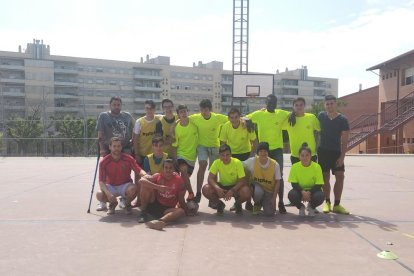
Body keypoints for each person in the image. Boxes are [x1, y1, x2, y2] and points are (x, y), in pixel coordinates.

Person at [246, 94, 289, 214]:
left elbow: (293, 113)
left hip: (277, 150)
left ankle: (280, 202)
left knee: (279, 176)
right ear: (265, 102)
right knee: (259, 175)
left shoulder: (281, 113)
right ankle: (256, 201)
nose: (271, 104)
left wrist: (293, 116)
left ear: (276, 104)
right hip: (263, 150)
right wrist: (248, 121)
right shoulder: (259, 114)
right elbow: (244, 117)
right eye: (269, 102)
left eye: (273, 102)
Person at [96, 96, 134, 211]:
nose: (116, 107)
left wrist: (133, 143)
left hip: (125, 148)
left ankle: (123, 197)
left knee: (125, 171)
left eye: (118, 105)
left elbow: (134, 130)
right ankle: (104, 200)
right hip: (109, 148)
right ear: (110, 105)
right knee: (106, 174)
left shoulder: (127, 116)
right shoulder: (103, 116)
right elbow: (100, 134)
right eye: (114, 105)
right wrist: (102, 148)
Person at [138, 159, 196, 230]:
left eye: (170, 168)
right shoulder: (158, 176)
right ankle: (143, 212)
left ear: (174, 169)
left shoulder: (179, 181)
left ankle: (159, 222)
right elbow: (141, 181)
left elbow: (181, 199)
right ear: (163, 168)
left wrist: (186, 211)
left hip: (167, 209)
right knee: (146, 185)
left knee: (181, 211)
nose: (168, 170)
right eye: (166, 168)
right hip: (154, 203)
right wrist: (159, 187)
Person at [189, 99, 228, 203]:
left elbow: (232, 119)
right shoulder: (195, 118)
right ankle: (198, 192)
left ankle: (213, 195)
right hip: (202, 146)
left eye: (206, 110)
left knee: (213, 171)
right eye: (202, 109)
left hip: (215, 146)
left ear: (210, 109)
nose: (204, 112)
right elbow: (182, 119)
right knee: (202, 165)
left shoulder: (217, 117)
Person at [96, 137, 147, 215]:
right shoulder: (104, 162)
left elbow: (139, 170)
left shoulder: (128, 158)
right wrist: (108, 194)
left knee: (134, 188)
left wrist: (146, 175)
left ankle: (127, 203)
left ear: (121, 147)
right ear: (110, 147)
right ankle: (113, 204)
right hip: (111, 186)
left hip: (125, 185)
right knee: (99, 194)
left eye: (119, 146)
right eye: (114, 146)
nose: (117, 148)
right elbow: (101, 181)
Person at [318, 95, 350, 214]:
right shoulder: (321, 116)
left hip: (336, 152)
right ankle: (327, 202)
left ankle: (337, 204)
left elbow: (345, 139)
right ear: (324, 105)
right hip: (323, 151)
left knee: (340, 176)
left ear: (336, 104)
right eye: (327, 104)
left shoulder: (343, 119)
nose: (329, 106)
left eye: (332, 103)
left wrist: (342, 156)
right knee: (325, 178)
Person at [220, 107, 257, 211]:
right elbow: (223, 143)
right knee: (236, 180)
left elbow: (255, 141)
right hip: (232, 155)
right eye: (231, 117)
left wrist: (252, 156)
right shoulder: (225, 126)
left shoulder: (247, 125)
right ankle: (237, 202)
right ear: (228, 118)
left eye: (236, 117)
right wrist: (224, 156)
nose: (234, 119)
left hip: (246, 154)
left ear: (240, 117)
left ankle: (249, 202)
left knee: (248, 179)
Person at [202, 144, 251, 215]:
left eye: (227, 155)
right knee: (206, 189)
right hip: (222, 187)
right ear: (219, 156)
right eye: (222, 155)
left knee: (246, 191)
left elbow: (242, 180)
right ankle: (220, 205)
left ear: (231, 154)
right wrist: (218, 189)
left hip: (235, 187)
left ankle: (237, 204)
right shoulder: (216, 162)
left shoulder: (237, 162)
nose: (225, 157)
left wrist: (232, 190)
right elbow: (210, 179)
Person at [242, 142, 281, 216]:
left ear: (268, 152)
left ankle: (264, 202)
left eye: (265, 151)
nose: (263, 153)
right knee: (258, 191)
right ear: (257, 153)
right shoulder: (252, 161)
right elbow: (240, 164)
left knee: (270, 213)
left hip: (269, 191)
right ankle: (257, 203)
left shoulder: (275, 165)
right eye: (261, 151)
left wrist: (274, 199)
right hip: (257, 189)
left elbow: (278, 182)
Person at [288, 143, 325, 217]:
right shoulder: (295, 167)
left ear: (311, 156)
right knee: (291, 195)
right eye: (302, 155)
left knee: (320, 196)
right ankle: (301, 207)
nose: (305, 158)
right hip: (300, 190)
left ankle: (311, 207)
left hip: (313, 191)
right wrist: (302, 192)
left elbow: (319, 184)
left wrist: (309, 192)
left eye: (307, 155)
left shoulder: (317, 167)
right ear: (299, 156)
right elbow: (293, 184)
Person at [171, 104, 197, 198]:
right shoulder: (176, 128)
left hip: (192, 157)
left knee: (184, 181)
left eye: (185, 111)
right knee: (183, 169)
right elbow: (174, 146)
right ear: (178, 114)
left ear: (187, 112)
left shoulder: (194, 123)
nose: (184, 113)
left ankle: (180, 200)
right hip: (181, 155)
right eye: (181, 112)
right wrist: (174, 160)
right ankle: (191, 194)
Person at [284, 97, 320, 164]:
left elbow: (320, 129)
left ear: (304, 106)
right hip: (296, 154)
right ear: (293, 107)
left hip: (311, 154)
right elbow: (276, 118)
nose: (299, 107)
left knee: (312, 174)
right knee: (298, 174)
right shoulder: (289, 120)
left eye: (301, 105)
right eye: (296, 105)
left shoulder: (311, 117)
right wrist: (265, 110)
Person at [133, 100, 163, 166]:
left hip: (153, 154)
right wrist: (137, 154)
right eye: (147, 108)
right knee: (139, 174)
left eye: (151, 108)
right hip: (141, 154)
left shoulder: (158, 121)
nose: (149, 110)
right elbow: (135, 139)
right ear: (144, 109)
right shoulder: (139, 122)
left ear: (154, 109)